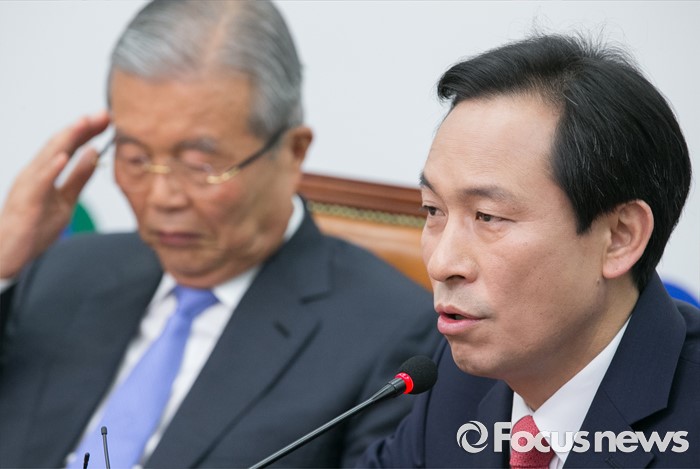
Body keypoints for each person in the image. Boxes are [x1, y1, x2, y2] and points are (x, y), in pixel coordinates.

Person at [0, 1, 440, 468]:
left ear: (293, 152)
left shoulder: (393, 336)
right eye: (135, 158)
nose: (162, 197)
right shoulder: (63, 272)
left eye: (200, 165)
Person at [358, 34, 699, 468]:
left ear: (619, 237)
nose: (442, 264)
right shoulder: (456, 383)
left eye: (488, 216)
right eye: (433, 210)